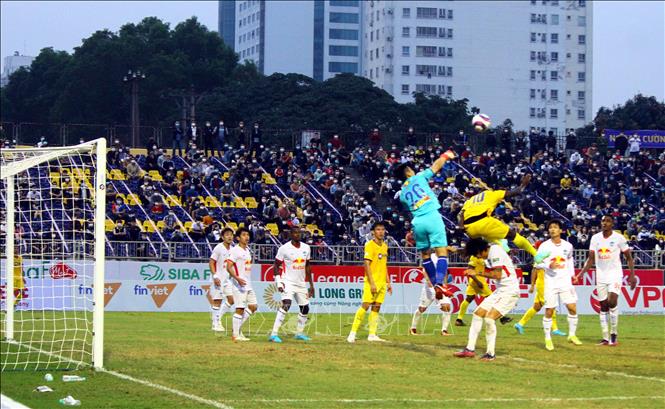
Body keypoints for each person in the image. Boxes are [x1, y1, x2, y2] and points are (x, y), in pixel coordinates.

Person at [395, 150, 456, 299]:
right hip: (432, 216)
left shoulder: (402, 194)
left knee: (426, 255)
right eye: (411, 168)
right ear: (408, 172)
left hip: (417, 223)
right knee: (441, 252)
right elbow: (436, 167)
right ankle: (440, 282)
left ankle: (435, 284)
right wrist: (445, 156)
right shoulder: (419, 177)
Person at [457, 173, 549, 263]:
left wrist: (461, 227)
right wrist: (523, 184)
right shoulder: (491, 193)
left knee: (486, 235)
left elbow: (461, 214)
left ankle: (500, 242)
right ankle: (536, 255)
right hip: (483, 221)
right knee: (513, 235)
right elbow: (516, 192)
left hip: (469, 228)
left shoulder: (470, 200)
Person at [454, 238, 520, 361]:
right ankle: (469, 349)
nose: (478, 257)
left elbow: (497, 275)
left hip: (510, 291)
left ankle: (490, 354)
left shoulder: (495, 251)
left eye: (477, 254)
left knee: (489, 319)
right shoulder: (489, 255)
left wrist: (476, 272)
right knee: (477, 314)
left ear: (481, 250)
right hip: (500, 291)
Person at [576, 215, 636, 346]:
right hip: (601, 276)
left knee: (612, 301)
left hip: (615, 274)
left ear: (612, 224)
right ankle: (605, 337)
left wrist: (632, 275)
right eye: (603, 221)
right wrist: (580, 274)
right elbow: (591, 259)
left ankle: (613, 335)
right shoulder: (595, 238)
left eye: (608, 221)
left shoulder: (619, 238)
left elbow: (629, 258)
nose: (605, 223)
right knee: (603, 306)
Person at [533, 219, 582, 350]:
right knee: (549, 310)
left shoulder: (568, 246)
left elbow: (570, 260)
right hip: (551, 282)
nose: (552, 229)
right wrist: (548, 265)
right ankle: (548, 338)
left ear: (561, 230)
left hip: (565, 281)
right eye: (550, 228)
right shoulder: (544, 246)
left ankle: (572, 335)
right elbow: (537, 262)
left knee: (572, 308)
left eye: (555, 227)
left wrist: (573, 275)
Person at [347, 222, 392, 343]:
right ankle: (352, 333)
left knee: (376, 308)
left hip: (382, 282)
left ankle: (372, 334)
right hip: (372, 281)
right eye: (378, 230)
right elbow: (366, 264)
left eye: (382, 229)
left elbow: (384, 265)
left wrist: (388, 282)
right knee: (365, 305)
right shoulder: (369, 245)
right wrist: (372, 283)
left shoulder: (385, 246)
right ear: (373, 232)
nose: (381, 232)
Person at [269, 227, 315, 343]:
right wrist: (279, 282)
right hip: (287, 281)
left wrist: (311, 285)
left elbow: (308, 266)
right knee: (286, 304)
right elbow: (276, 266)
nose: (297, 235)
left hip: (301, 283)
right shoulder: (284, 249)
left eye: (299, 232)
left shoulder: (306, 248)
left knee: (305, 308)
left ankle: (299, 333)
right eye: (295, 233)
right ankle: (273, 334)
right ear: (290, 234)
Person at [513, 266, 565, 337]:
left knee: (536, 307)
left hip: (545, 285)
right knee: (551, 307)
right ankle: (555, 329)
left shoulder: (547, 258)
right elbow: (534, 270)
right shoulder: (542, 258)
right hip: (544, 286)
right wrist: (532, 285)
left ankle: (519, 324)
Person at [409, 253, 453, 336]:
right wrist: (428, 281)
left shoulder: (444, 258)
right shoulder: (431, 256)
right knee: (422, 309)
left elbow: (445, 271)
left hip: (440, 286)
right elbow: (425, 269)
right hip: (429, 287)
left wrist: (445, 285)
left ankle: (444, 330)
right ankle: (413, 328)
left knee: (447, 306)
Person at [226, 227, 256, 342]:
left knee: (253, 306)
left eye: (247, 235)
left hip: (248, 284)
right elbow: (229, 267)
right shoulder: (235, 250)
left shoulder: (247, 250)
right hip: (239, 285)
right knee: (239, 309)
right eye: (243, 235)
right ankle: (235, 334)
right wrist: (237, 278)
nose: (247, 237)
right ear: (238, 238)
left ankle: (237, 329)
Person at [208, 228, 235, 332]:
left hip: (227, 279)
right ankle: (215, 324)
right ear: (223, 237)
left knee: (231, 300)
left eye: (231, 235)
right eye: (227, 235)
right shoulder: (218, 248)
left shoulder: (233, 249)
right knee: (217, 301)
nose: (229, 236)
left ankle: (217, 318)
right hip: (218, 278)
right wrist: (215, 276)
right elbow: (211, 262)